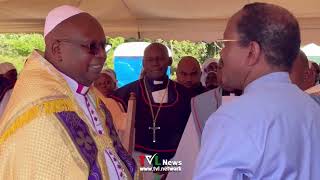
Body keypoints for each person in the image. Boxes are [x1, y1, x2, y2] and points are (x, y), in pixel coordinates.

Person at [0, 5, 139, 179]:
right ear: (57, 49)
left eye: (104, 46)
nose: (102, 55)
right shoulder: (39, 113)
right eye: (92, 46)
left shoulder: (89, 95)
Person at [194, 2, 320, 179]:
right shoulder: (312, 109)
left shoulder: (232, 118)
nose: (222, 53)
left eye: (226, 43)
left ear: (252, 51)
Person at [112, 42, 191, 179]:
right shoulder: (124, 94)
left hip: (176, 160)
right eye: (150, 59)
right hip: (140, 159)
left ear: (169, 61)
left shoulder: (186, 96)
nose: (155, 63)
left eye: (160, 58)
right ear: (143, 63)